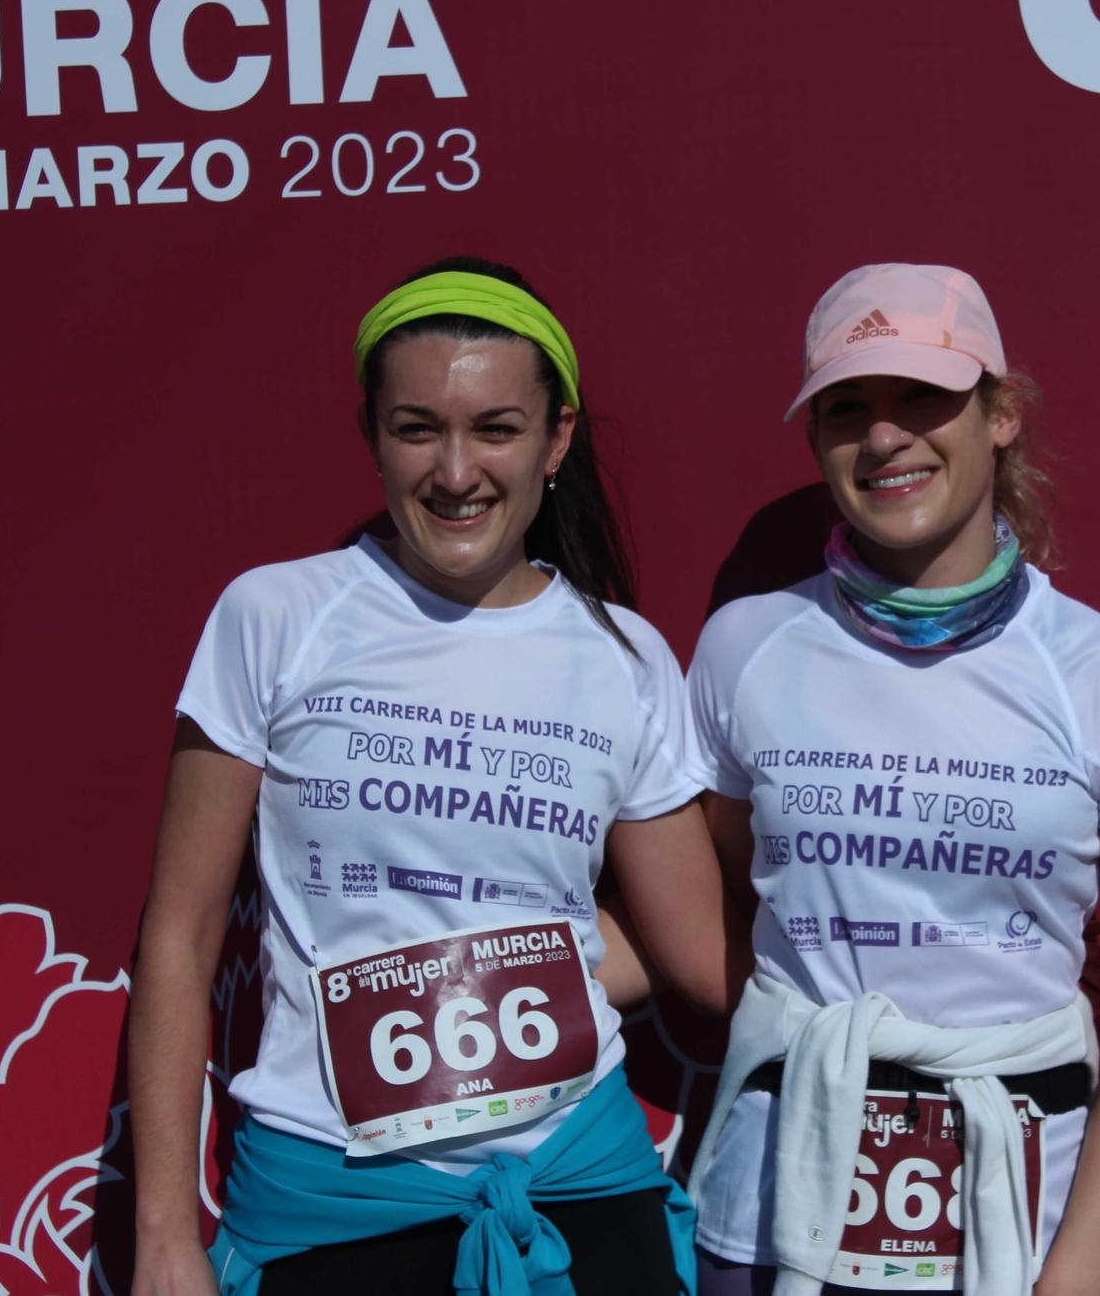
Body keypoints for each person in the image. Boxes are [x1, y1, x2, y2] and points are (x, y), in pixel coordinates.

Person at [129, 257, 729, 1296]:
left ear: (557, 440)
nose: (455, 472)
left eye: (495, 427)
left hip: (577, 1196)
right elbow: (178, 938)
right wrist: (163, 1237)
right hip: (335, 1203)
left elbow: (693, 957)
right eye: (418, 429)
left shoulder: (625, 656)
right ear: (372, 434)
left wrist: (506, 974)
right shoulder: (274, 618)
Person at [685, 264, 1100, 1295]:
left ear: (1001, 415)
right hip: (767, 1233)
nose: (884, 436)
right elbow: (731, 891)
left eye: (921, 395)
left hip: (1012, 1246)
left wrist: (1072, 1278)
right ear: (815, 440)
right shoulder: (743, 647)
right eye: (847, 407)